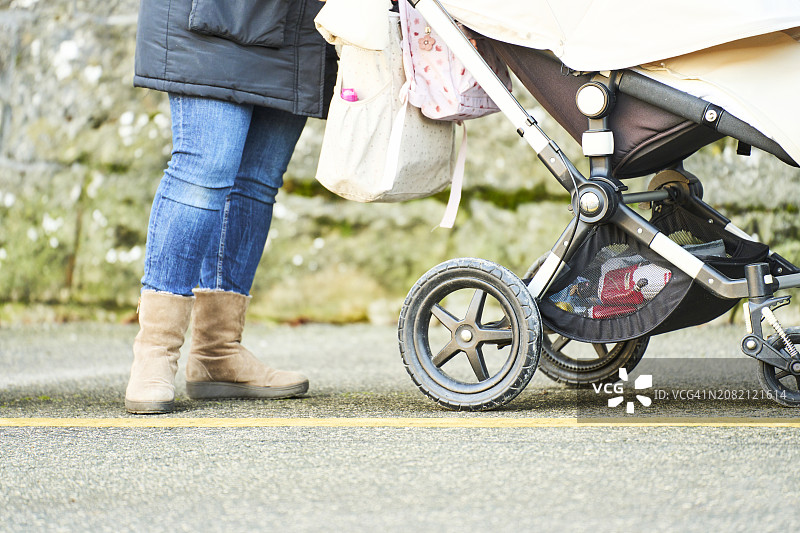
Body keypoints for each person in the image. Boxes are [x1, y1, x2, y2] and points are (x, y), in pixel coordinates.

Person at [125, 0, 337, 414]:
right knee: (205, 170)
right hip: (215, 15)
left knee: (256, 183)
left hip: (298, 26)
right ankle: (155, 350)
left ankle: (217, 351)